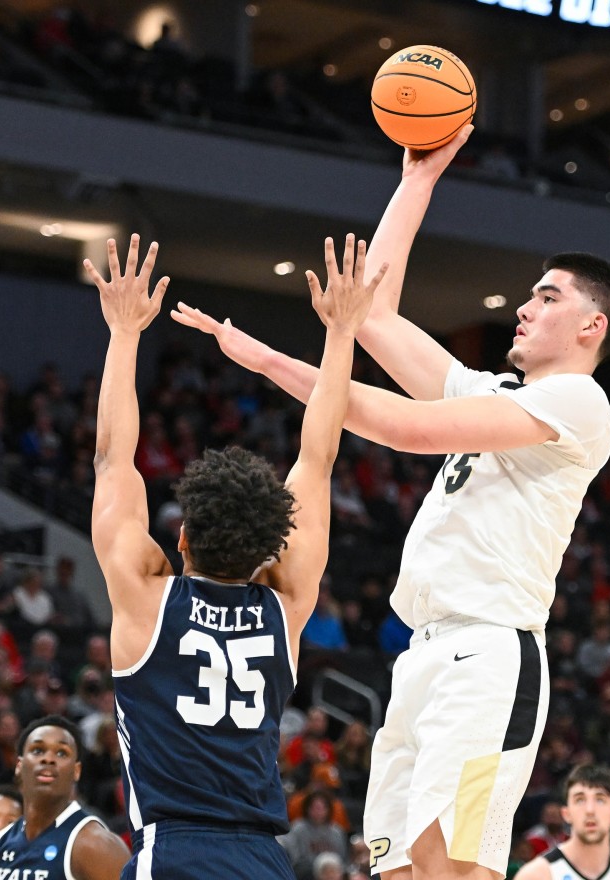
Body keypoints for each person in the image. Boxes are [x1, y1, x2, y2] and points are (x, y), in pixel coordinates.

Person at [173, 126, 610, 880]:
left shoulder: (581, 403)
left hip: (490, 658)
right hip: (422, 654)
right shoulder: (497, 393)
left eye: (546, 297)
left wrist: (268, 362)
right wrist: (416, 180)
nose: (524, 307)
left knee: (452, 868)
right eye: (528, 294)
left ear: (592, 326)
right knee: (394, 869)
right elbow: (378, 314)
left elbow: (403, 426)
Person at [89, 230, 384, 880]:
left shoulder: (143, 595)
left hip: (174, 850)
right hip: (261, 859)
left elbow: (113, 458)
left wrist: (125, 332)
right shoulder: (288, 605)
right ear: (269, 549)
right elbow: (318, 455)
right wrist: (341, 335)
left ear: (182, 538)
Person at [0, 716, 127, 880]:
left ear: (76, 771)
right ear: (19, 766)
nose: (48, 759)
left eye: (62, 753)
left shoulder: (97, 846)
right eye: (38, 750)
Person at [513, 764, 610, 880]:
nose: (590, 810)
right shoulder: (537, 875)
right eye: (580, 799)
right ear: (566, 813)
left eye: (600, 799)